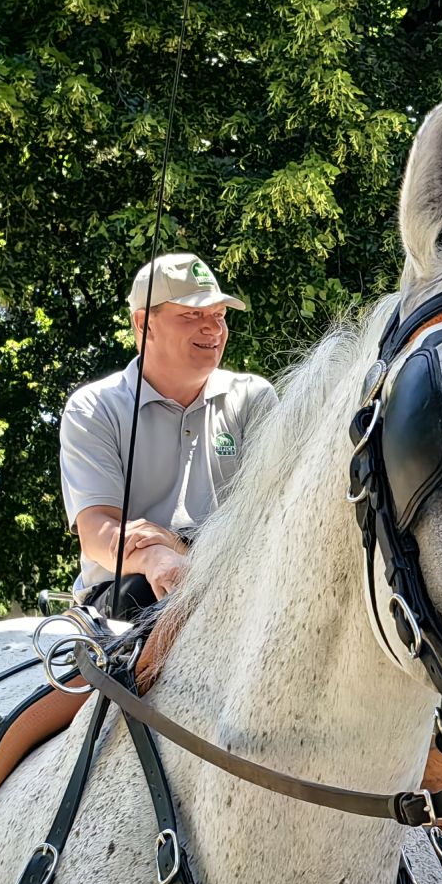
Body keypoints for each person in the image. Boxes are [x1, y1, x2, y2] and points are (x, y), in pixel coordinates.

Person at [59, 253, 275, 618]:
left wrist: (177, 545)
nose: (213, 328)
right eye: (193, 314)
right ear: (144, 324)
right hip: (125, 598)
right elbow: (96, 531)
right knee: (139, 593)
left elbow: (271, 518)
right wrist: (154, 557)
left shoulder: (253, 399)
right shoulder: (93, 408)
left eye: (219, 315)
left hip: (239, 587)